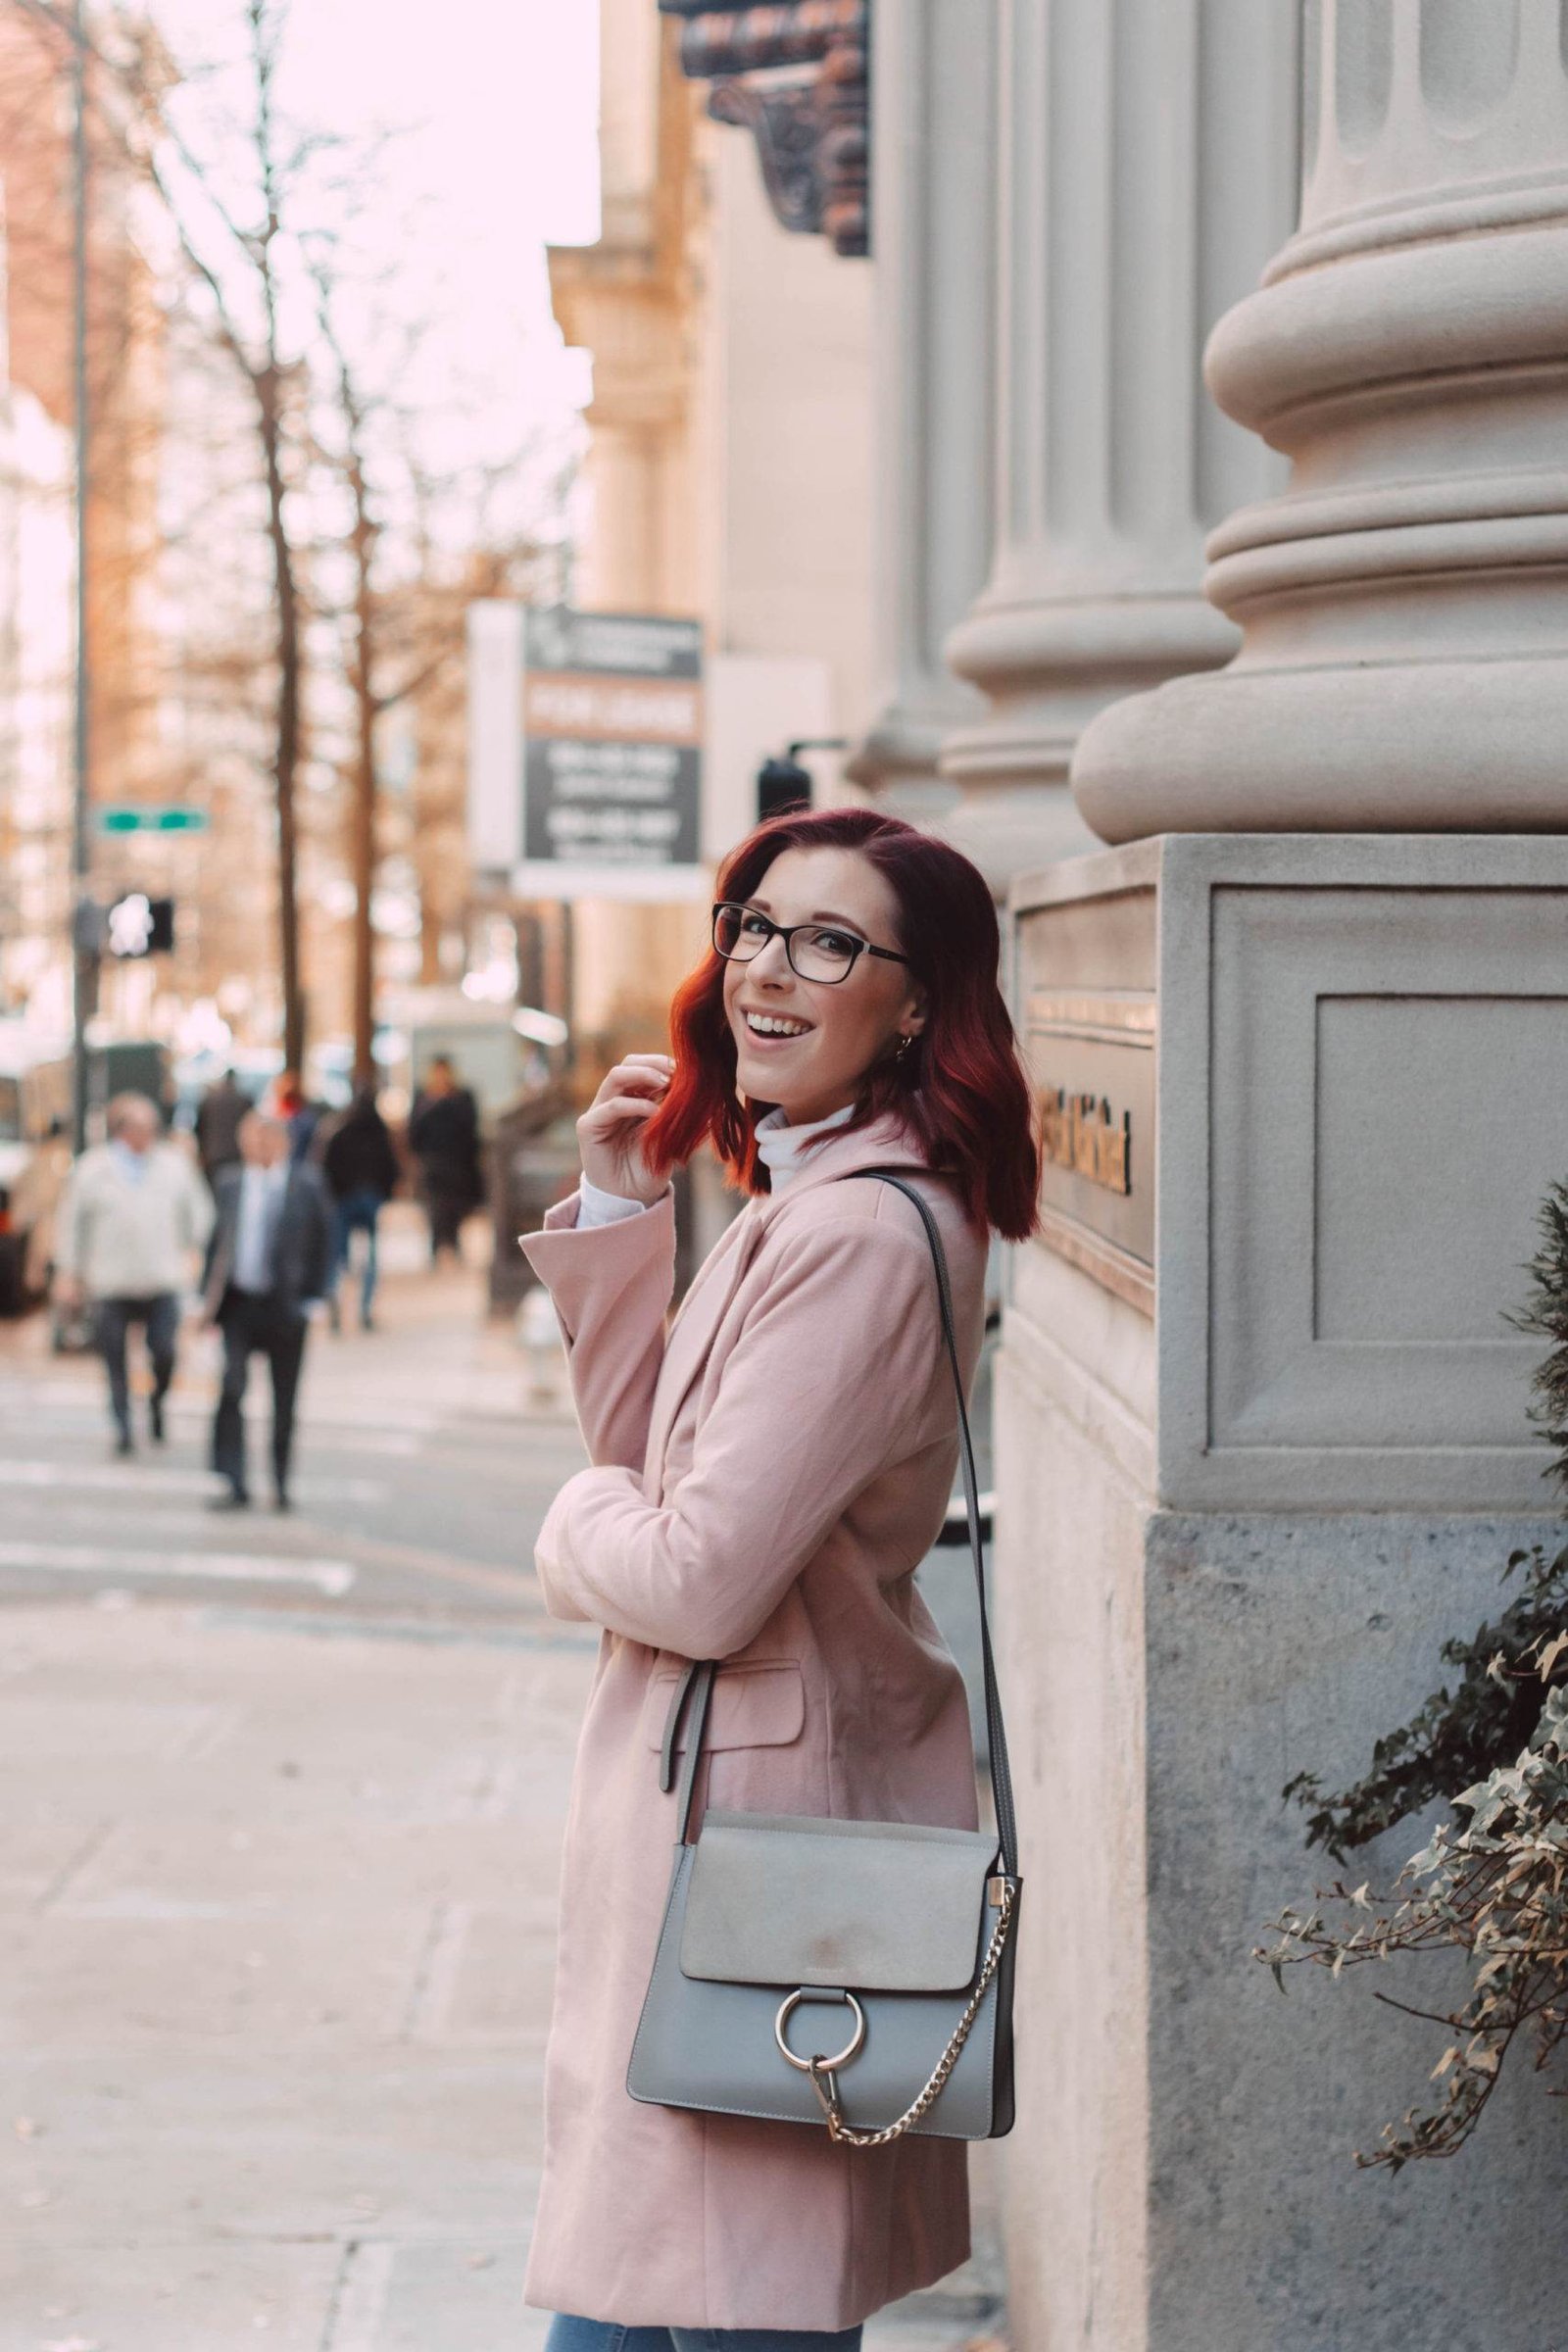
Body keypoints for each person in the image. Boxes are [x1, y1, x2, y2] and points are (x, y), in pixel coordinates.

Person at [516, 807, 1040, 2343]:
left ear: (920, 1000)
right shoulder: (807, 1196)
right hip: (717, 1836)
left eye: (830, 943)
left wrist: (566, 1527)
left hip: (750, 1866)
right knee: (637, 2301)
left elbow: (689, 1577)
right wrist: (623, 1208)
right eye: (755, 925)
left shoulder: (862, 1237)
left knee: (703, 2306)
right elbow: (663, 1463)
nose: (769, 968)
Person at [54, 1093, 214, 1456]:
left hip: (161, 1277)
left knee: (164, 1351)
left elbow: (200, 1215)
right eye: (139, 1128)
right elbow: (71, 1224)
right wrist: (69, 1272)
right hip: (110, 1280)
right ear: (121, 1130)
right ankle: (123, 1424)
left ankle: (157, 1404)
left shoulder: (174, 1165)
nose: (146, 1135)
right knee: (114, 1358)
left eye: (151, 1128)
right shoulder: (93, 1168)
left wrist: (195, 1254)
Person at [202, 1110, 332, 1511]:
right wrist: (203, 1300)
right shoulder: (230, 1184)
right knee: (232, 1388)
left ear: (283, 1144)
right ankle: (233, 1480)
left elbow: (325, 1244)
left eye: (266, 1140)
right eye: (252, 1141)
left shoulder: (305, 1185)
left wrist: (317, 1298)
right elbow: (217, 1244)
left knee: (284, 1401)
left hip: (286, 1306)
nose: (258, 1148)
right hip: (240, 1304)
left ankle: (280, 1480)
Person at [320, 1085, 400, 1331]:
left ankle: (336, 1299)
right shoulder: (378, 1133)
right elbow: (391, 1167)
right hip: (369, 1197)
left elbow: (327, 1166)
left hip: (344, 1199)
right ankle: (364, 1308)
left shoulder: (340, 1132)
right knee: (369, 1258)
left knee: (339, 1258)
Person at [407, 1055, 482, 1264]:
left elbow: (470, 1128)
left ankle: (454, 1242)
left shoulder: (462, 1097)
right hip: (433, 1162)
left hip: (458, 1162)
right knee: (435, 1206)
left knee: (456, 1206)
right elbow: (414, 1132)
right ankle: (437, 1244)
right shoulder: (423, 1099)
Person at [193, 1067, 249, 1189]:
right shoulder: (244, 1100)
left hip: (213, 1154)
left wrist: (201, 1152)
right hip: (236, 1153)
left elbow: (199, 1129)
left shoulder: (209, 1100)